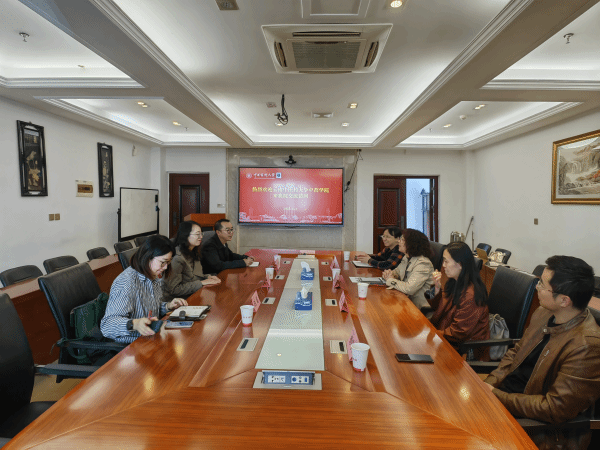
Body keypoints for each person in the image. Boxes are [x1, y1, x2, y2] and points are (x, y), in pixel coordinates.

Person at [484, 255, 600, 449]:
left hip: (536, 427)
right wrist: (489, 384)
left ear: (564, 300)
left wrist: (496, 395)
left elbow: (553, 409)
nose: (537, 288)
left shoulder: (587, 345)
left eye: (542, 285)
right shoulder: (543, 313)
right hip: (506, 400)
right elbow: (516, 353)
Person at [101, 235, 188, 344]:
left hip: (151, 337)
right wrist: (134, 324)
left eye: (168, 262)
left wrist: (168, 306)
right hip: (132, 345)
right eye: (163, 262)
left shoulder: (152, 276)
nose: (166, 267)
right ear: (148, 257)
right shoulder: (126, 282)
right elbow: (107, 325)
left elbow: (151, 309)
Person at [427, 242, 489, 355]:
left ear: (460, 264)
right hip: (446, 338)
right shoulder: (454, 281)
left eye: (446, 261)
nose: (443, 265)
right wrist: (436, 289)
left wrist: (432, 335)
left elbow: (458, 333)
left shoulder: (471, 295)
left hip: (464, 351)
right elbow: (437, 308)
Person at [163, 221, 221, 302]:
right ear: (186, 235)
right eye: (197, 234)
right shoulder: (177, 258)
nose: (201, 237)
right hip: (178, 301)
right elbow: (174, 289)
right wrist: (201, 283)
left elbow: (194, 276)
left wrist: (207, 277)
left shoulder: (193, 252)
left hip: (194, 294)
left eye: (201, 233)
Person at [382, 228, 434, 310]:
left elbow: (409, 289)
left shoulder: (423, 264)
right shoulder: (406, 257)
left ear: (411, 244)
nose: (398, 241)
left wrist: (390, 280)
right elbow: (397, 272)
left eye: (402, 240)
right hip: (405, 302)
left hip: (418, 309)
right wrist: (389, 273)